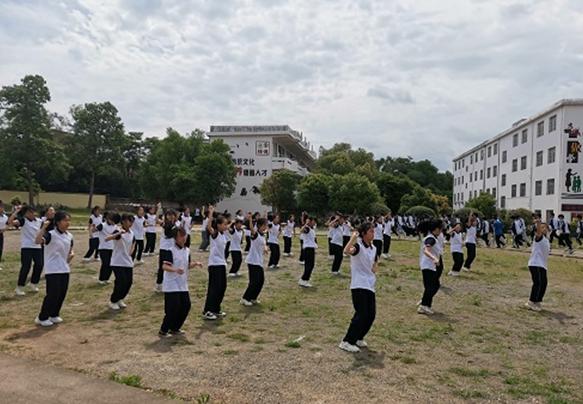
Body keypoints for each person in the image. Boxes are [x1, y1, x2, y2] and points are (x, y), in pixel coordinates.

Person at [338, 222, 378, 353]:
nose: (373, 233)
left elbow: (375, 260)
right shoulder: (358, 246)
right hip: (359, 284)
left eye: (373, 231)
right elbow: (346, 251)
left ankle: (359, 337)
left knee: (371, 314)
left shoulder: (374, 248)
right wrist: (353, 238)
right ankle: (347, 341)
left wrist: (375, 267)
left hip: (370, 284)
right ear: (364, 233)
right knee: (361, 313)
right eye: (371, 231)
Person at [159, 227, 202, 337]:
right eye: (180, 236)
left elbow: (187, 265)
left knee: (186, 305)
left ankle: (175, 328)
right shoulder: (170, 250)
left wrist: (195, 264)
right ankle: (164, 330)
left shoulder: (187, 250)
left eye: (184, 235)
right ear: (175, 238)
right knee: (173, 307)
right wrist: (175, 270)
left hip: (182, 284)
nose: (183, 238)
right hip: (171, 283)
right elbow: (164, 266)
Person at [33, 211, 74, 327]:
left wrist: (71, 254)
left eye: (68, 220)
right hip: (53, 269)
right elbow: (37, 241)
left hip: (64, 268)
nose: (68, 223)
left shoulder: (69, 236)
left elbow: (70, 248)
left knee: (62, 293)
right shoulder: (50, 234)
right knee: (52, 294)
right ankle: (42, 317)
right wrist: (43, 228)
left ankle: (54, 314)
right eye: (65, 220)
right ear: (58, 222)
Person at [202, 206, 229, 320]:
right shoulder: (216, 234)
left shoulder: (223, 235)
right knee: (214, 288)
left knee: (222, 287)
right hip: (214, 264)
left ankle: (216, 309)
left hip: (222, 264)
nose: (226, 226)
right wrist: (211, 214)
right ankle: (208, 310)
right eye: (224, 224)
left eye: (226, 224)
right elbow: (209, 227)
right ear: (218, 225)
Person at [10, 206, 43, 296]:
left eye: (32, 212)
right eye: (29, 212)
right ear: (25, 214)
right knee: (26, 266)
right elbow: (10, 222)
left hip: (37, 247)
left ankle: (33, 283)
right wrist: (16, 212)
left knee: (39, 265)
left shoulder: (39, 221)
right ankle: (19, 287)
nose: (31, 214)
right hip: (27, 247)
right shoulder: (23, 221)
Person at [107, 214, 135, 310]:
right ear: (123, 221)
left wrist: (131, 251)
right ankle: (113, 300)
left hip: (127, 261)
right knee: (121, 281)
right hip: (117, 261)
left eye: (131, 221)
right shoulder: (118, 231)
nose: (130, 223)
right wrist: (118, 234)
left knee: (129, 282)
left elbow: (133, 242)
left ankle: (120, 298)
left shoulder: (131, 233)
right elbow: (107, 238)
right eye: (128, 221)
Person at [240, 215, 268, 306]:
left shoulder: (263, 235)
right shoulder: (255, 234)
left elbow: (263, 243)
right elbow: (252, 229)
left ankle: (253, 297)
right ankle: (245, 298)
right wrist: (251, 220)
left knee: (261, 280)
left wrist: (265, 248)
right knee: (254, 281)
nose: (266, 227)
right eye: (264, 225)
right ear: (259, 226)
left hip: (259, 261)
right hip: (252, 261)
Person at [417, 219, 443, 315]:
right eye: (440, 229)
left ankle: (425, 301)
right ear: (436, 229)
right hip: (427, 266)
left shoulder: (434, 238)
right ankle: (424, 306)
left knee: (435, 285)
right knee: (430, 287)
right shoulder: (430, 238)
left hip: (431, 266)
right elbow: (426, 251)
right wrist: (434, 259)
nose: (441, 231)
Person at [525, 217, 550, 312]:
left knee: (544, 283)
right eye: (542, 227)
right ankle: (531, 302)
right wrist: (538, 223)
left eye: (545, 227)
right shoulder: (539, 237)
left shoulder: (547, 240)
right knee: (537, 282)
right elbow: (538, 232)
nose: (544, 229)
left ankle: (538, 301)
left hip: (543, 265)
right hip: (535, 263)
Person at [156, 210, 177, 293]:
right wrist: (158, 210)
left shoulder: (176, 224)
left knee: (170, 266)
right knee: (162, 267)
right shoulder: (165, 224)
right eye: (169, 215)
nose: (171, 216)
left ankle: (167, 283)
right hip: (164, 248)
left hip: (172, 248)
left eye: (172, 215)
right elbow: (157, 220)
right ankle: (159, 284)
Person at [96, 212, 117, 285]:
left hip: (112, 248)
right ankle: (101, 279)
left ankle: (107, 278)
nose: (113, 222)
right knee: (105, 263)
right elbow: (95, 229)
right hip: (103, 247)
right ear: (108, 219)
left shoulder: (115, 226)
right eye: (111, 220)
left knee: (111, 264)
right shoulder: (102, 225)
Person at [299, 216, 317, 288]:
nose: (314, 222)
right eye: (312, 221)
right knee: (309, 266)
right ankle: (304, 280)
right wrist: (306, 224)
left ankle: (305, 279)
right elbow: (301, 231)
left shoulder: (312, 229)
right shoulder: (307, 228)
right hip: (308, 249)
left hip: (311, 249)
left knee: (311, 265)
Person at [0, 202, 7, 271]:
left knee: (0, 249)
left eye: (2, 207)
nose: (2, 208)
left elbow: (7, 224)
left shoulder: (5, 217)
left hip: (1, 235)